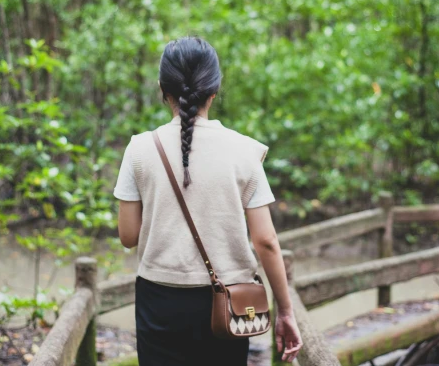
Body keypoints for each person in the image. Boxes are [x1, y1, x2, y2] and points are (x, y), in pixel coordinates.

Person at [113, 36, 303, 365]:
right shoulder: (245, 151)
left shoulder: (139, 150)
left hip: (159, 297)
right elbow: (266, 241)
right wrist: (285, 311)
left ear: (162, 87)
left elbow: (128, 237)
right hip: (230, 299)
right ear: (214, 89)